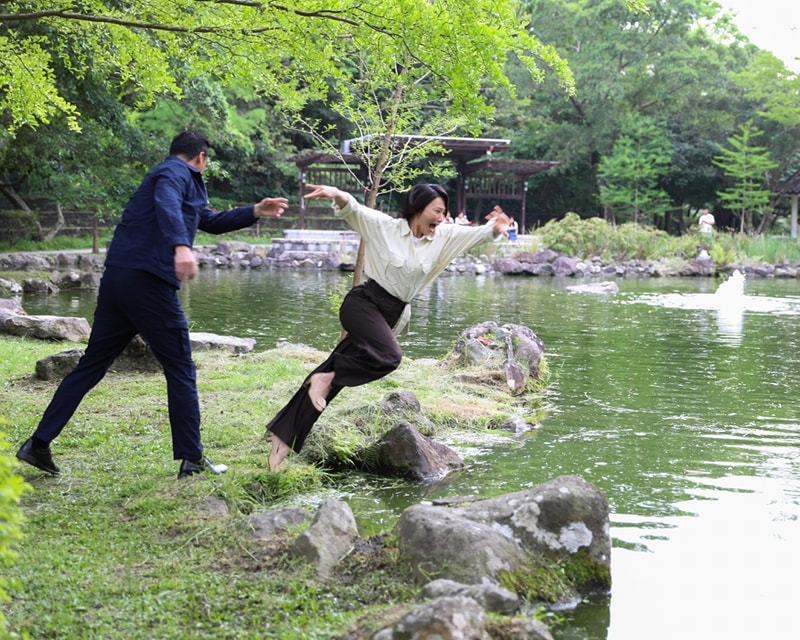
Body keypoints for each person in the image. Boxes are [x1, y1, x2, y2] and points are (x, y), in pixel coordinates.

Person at [15, 131, 289, 479]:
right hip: (148, 283)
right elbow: (167, 204)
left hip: (119, 280)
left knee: (92, 365)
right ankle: (192, 459)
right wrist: (181, 246)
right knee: (180, 367)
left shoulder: (174, 177)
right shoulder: (173, 174)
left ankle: (38, 444)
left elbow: (207, 220)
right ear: (201, 157)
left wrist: (254, 211)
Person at [264, 183, 511, 471]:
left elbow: (481, 234)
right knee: (389, 357)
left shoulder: (444, 236)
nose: (441, 217)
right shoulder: (386, 227)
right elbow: (354, 210)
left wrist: (497, 228)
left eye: (444, 212)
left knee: (332, 375)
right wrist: (337, 194)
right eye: (437, 211)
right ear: (418, 208)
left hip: (390, 316)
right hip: (364, 304)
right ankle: (325, 379)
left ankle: (281, 441)